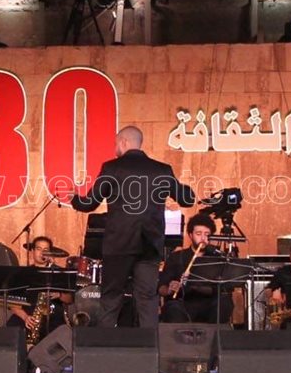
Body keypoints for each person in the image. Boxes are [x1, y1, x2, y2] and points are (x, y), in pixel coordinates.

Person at [67, 125, 195, 328]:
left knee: (111, 298)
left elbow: (89, 203)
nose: (115, 148)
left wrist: (74, 197)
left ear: (124, 142)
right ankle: (150, 344)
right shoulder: (162, 170)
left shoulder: (111, 168)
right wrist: (184, 188)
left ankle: (104, 344)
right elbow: (187, 199)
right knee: (147, 298)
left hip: (118, 244)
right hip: (149, 245)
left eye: (116, 144)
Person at [159, 215, 235, 324]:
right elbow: (161, 287)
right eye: (198, 234)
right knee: (172, 307)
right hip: (183, 304)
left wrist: (195, 285)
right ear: (190, 235)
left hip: (210, 304)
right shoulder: (176, 257)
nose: (203, 238)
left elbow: (226, 289)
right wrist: (169, 289)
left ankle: (215, 334)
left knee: (225, 302)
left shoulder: (217, 259)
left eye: (207, 234)